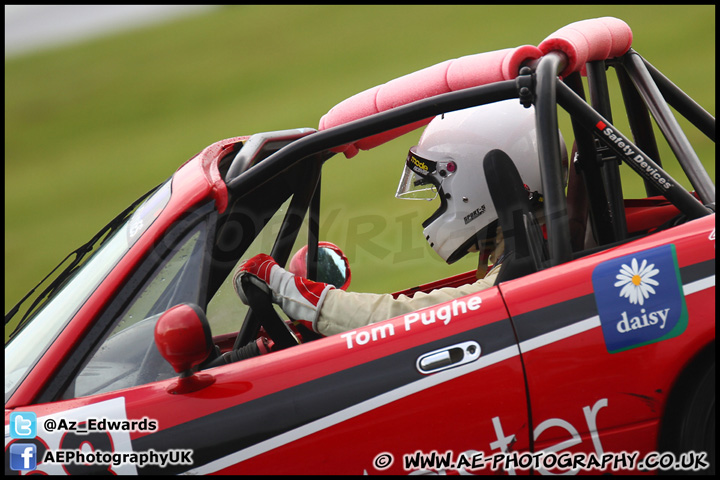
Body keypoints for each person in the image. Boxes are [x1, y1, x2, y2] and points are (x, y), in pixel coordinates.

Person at [234, 100, 566, 337]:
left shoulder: (524, 271)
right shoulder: (542, 244)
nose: (436, 203)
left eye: (438, 188)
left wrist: (293, 292)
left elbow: (402, 320)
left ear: (479, 183)